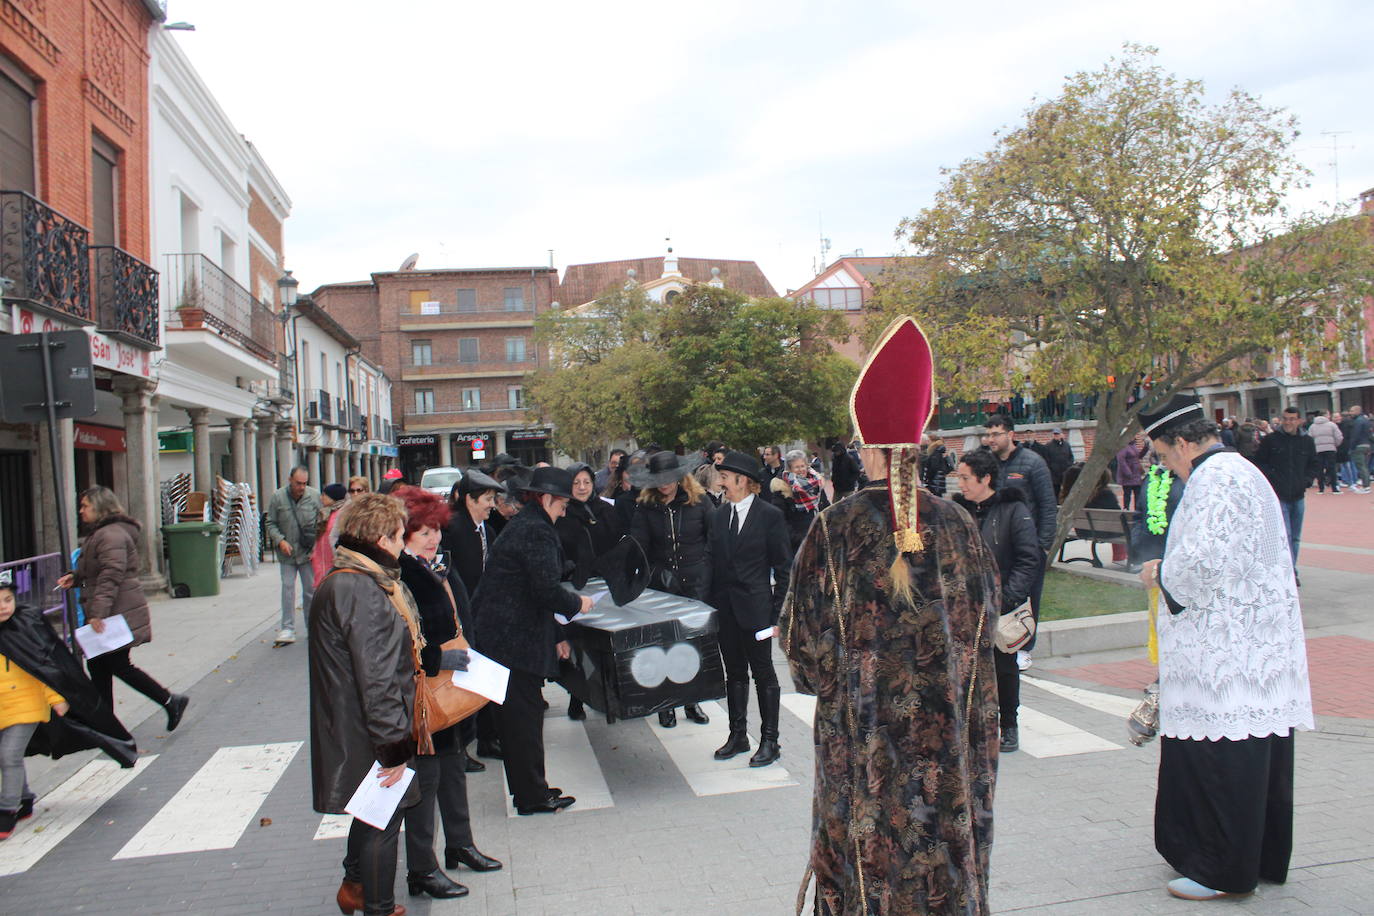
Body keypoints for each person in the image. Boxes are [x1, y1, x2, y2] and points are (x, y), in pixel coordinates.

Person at [781, 316, 998, 915]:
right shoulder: (959, 525)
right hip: (947, 749)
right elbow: (989, 623)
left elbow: (800, 644)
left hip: (862, 751)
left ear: (869, 448)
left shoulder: (834, 528)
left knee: (862, 867)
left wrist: (843, 685)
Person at [1136, 394, 1313, 902]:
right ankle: (1260, 855)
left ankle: (1221, 868)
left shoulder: (1213, 482)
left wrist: (1157, 572)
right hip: (1255, 642)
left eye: (1167, 457)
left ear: (1185, 443)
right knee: (1260, 758)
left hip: (1226, 653)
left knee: (1223, 762)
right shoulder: (1244, 470)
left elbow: (1199, 567)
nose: (1170, 467)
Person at [308, 492, 419, 916]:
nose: (402, 542)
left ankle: (355, 887)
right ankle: (378, 906)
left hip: (352, 722)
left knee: (370, 813)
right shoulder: (361, 588)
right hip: (365, 727)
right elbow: (377, 675)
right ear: (381, 537)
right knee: (383, 820)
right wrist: (394, 747)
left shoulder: (348, 579)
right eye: (399, 535)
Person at [393, 487, 502, 899]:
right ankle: (422, 868)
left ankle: (461, 845)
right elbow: (405, 638)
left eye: (435, 529)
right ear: (403, 534)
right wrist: (440, 659)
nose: (433, 538)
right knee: (427, 780)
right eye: (423, 532)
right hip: (426, 693)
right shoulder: (403, 574)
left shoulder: (434, 565)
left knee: (454, 771)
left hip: (452, 688)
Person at [472, 467, 593, 815]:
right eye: (562, 502)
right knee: (522, 722)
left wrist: (556, 634)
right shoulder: (537, 531)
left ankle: (531, 788)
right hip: (511, 642)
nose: (566, 508)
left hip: (505, 638)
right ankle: (532, 797)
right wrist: (578, 605)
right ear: (546, 499)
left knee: (519, 720)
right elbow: (545, 590)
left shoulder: (527, 525)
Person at [0, 570, 137, 840]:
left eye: (7, 599)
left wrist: (56, 699)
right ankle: (24, 798)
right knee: (5, 756)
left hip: (27, 705)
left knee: (9, 755)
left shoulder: (25, 628)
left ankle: (6, 811)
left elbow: (44, 667)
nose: (3, 606)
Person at [57, 487, 188, 730]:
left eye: (85, 505)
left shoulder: (110, 535)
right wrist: (75, 578)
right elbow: (96, 572)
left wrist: (98, 613)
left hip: (115, 612)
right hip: (111, 610)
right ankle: (107, 724)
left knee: (117, 666)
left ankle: (170, 700)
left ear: (100, 507)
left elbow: (111, 575)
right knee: (98, 666)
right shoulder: (102, 534)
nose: (81, 510)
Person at [707, 450, 792, 767]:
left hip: (757, 611)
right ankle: (738, 735)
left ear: (742, 481)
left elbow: (784, 569)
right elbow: (712, 561)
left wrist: (777, 616)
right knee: (735, 674)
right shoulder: (719, 515)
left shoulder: (769, 516)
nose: (721, 482)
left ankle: (771, 741)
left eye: (725, 477)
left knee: (764, 675)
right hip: (726, 611)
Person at [953, 448, 1040, 753]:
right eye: (958, 477)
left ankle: (1009, 725)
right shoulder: (958, 512)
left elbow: (1029, 559)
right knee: (964, 668)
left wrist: (1007, 599)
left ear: (985, 478)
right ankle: (971, 724)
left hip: (1000, 608)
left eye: (965, 478)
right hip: (964, 607)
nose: (960, 484)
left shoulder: (1013, 510)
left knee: (1004, 667)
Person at [629, 451, 713, 728]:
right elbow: (638, 548)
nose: (665, 485)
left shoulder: (699, 502)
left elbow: (713, 540)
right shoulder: (646, 507)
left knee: (692, 643)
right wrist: (655, 574)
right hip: (661, 588)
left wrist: (705, 573)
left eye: (669, 479)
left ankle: (692, 700)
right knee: (664, 645)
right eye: (659, 480)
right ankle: (667, 705)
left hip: (695, 585)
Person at [439, 469, 507, 762]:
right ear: (469, 499)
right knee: (464, 682)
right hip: (462, 620)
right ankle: (461, 746)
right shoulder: (452, 529)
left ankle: (487, 738)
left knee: (485, 680)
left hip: (486, 616)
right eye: (487, 499)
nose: (492, 504)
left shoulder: (487, 530)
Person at [981, 414, 1056, 667]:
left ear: (1010, 435)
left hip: (1028, 545)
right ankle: (1002, 642)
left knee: (1028, 596)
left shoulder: (1033, 463)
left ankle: (1025, 646)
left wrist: (1043, 544)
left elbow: (1047, 505)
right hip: (998, 546)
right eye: (988, 434)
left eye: (996, 434)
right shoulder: (987, 464)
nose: (990, 439)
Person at [555, 463, 623, 721]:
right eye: (576, 483)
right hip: (574, 586)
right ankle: (577, 697)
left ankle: (610, 696)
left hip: (604, 584)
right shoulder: (563, 513)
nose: (582, 488)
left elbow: (617, 543)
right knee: (579, 645)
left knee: (605, 643)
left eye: (586, 482)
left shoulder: (605, 510)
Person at [1254, 407, 1318, 570]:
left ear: (1299, 420)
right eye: (1286, 418)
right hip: (1279, 494)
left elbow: (1314, 464)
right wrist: (1273, 478)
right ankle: (1287, 571)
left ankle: (1292, 568)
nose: (1288, 422)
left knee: (1295, 537)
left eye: (1292, 419)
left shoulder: (1307, 441)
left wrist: (1307, 480)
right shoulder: (1271, 440)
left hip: (1298, 495)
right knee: (1286, 535)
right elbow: (1260, 463)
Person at [265, 466, 323, 645]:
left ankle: (311, 626)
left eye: (305, 483)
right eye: (298, 483)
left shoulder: (314, 496)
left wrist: (317, 547)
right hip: (287, 553)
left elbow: (321, 522)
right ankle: (287, 628)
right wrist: (280, 540)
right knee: (288, 589)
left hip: (307, 552)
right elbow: (271, 522)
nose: (301, 487)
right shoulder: (278, 497)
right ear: (290, 479)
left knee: (310, 591)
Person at [774, 449, 829, 552]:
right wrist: (799, 539)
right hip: (798, 544)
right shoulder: (782, 488)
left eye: (802, 466)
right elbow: (779, 519)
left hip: (819, 540)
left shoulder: (816, 483)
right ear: (789, 469)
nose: (801, 470)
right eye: (797, 467)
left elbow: (826, 508)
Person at [312, 483, 349, 588]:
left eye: (324, 495)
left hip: (334, 560)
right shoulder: (325, 512)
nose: (321, 498)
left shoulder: (342, 513)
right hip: (320, 560)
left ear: (333, 497)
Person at [1308, 409, 1343, 493]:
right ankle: (1334, 488)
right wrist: (1335, 445)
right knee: (1332, 468)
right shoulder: (1332, 425)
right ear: (1325, 415)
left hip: (1318, 450)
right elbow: (1339, 437)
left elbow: (1309, 439)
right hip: (1330, 448)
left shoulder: (1312, 426)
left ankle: (1321, 488)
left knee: (1319, 469)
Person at [1115, 434, 1147, 511]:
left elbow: (1138, 456)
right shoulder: (1122, 447)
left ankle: (1137, 509)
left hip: (1136, 474)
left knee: (1138, 493)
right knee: (1127, 494)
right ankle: (1126, 509)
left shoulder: (1133, 446)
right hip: (1128, 475)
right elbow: (1121, 461)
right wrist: (1128, 473)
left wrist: (1145, 448)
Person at [1346, 405, 1371, 493]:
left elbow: (1355, 435)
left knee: (1361, 466)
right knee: (1364, 466)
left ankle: (1366, 486)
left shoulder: (1358, 422)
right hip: (1367, 445)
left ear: (1358, 411)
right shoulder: (1366, 420)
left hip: (1359, 446)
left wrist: (1351, 447)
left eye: (1352, 411)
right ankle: (1366, 484)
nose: (1350, 413)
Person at [1044, 428, 1075, 496]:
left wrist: (1069, 466)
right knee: (1055, 492)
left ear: (1061, 434)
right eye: (1055, 434)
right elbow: (1046, 460)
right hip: (1054, 475)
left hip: (1066, 473)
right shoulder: (1048, 446)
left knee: (1067, 491)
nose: (1056, 435)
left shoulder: (1067, 445)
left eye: (1057, 434)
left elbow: (1071, 457)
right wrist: (1052, 469)